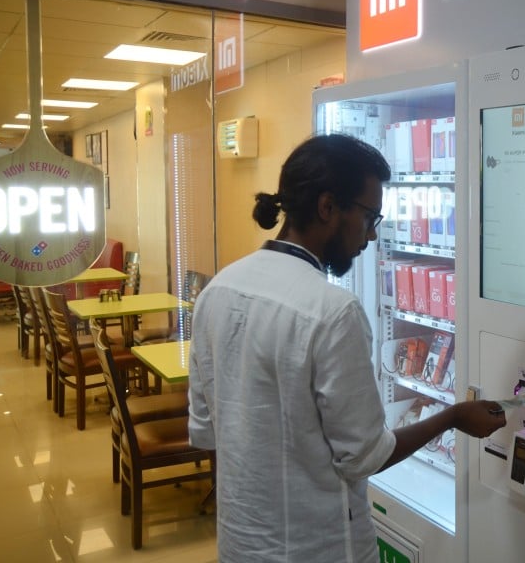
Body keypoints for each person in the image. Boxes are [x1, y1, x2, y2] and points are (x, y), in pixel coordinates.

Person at [188, 133, 506, 563]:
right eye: (370, 216)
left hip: (240, 543)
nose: (372, 236)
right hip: (319, 548)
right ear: (327, 207)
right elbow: (364, 458)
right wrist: (451, 416)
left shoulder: (217, 290)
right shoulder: (333, 311)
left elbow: (206, 430)